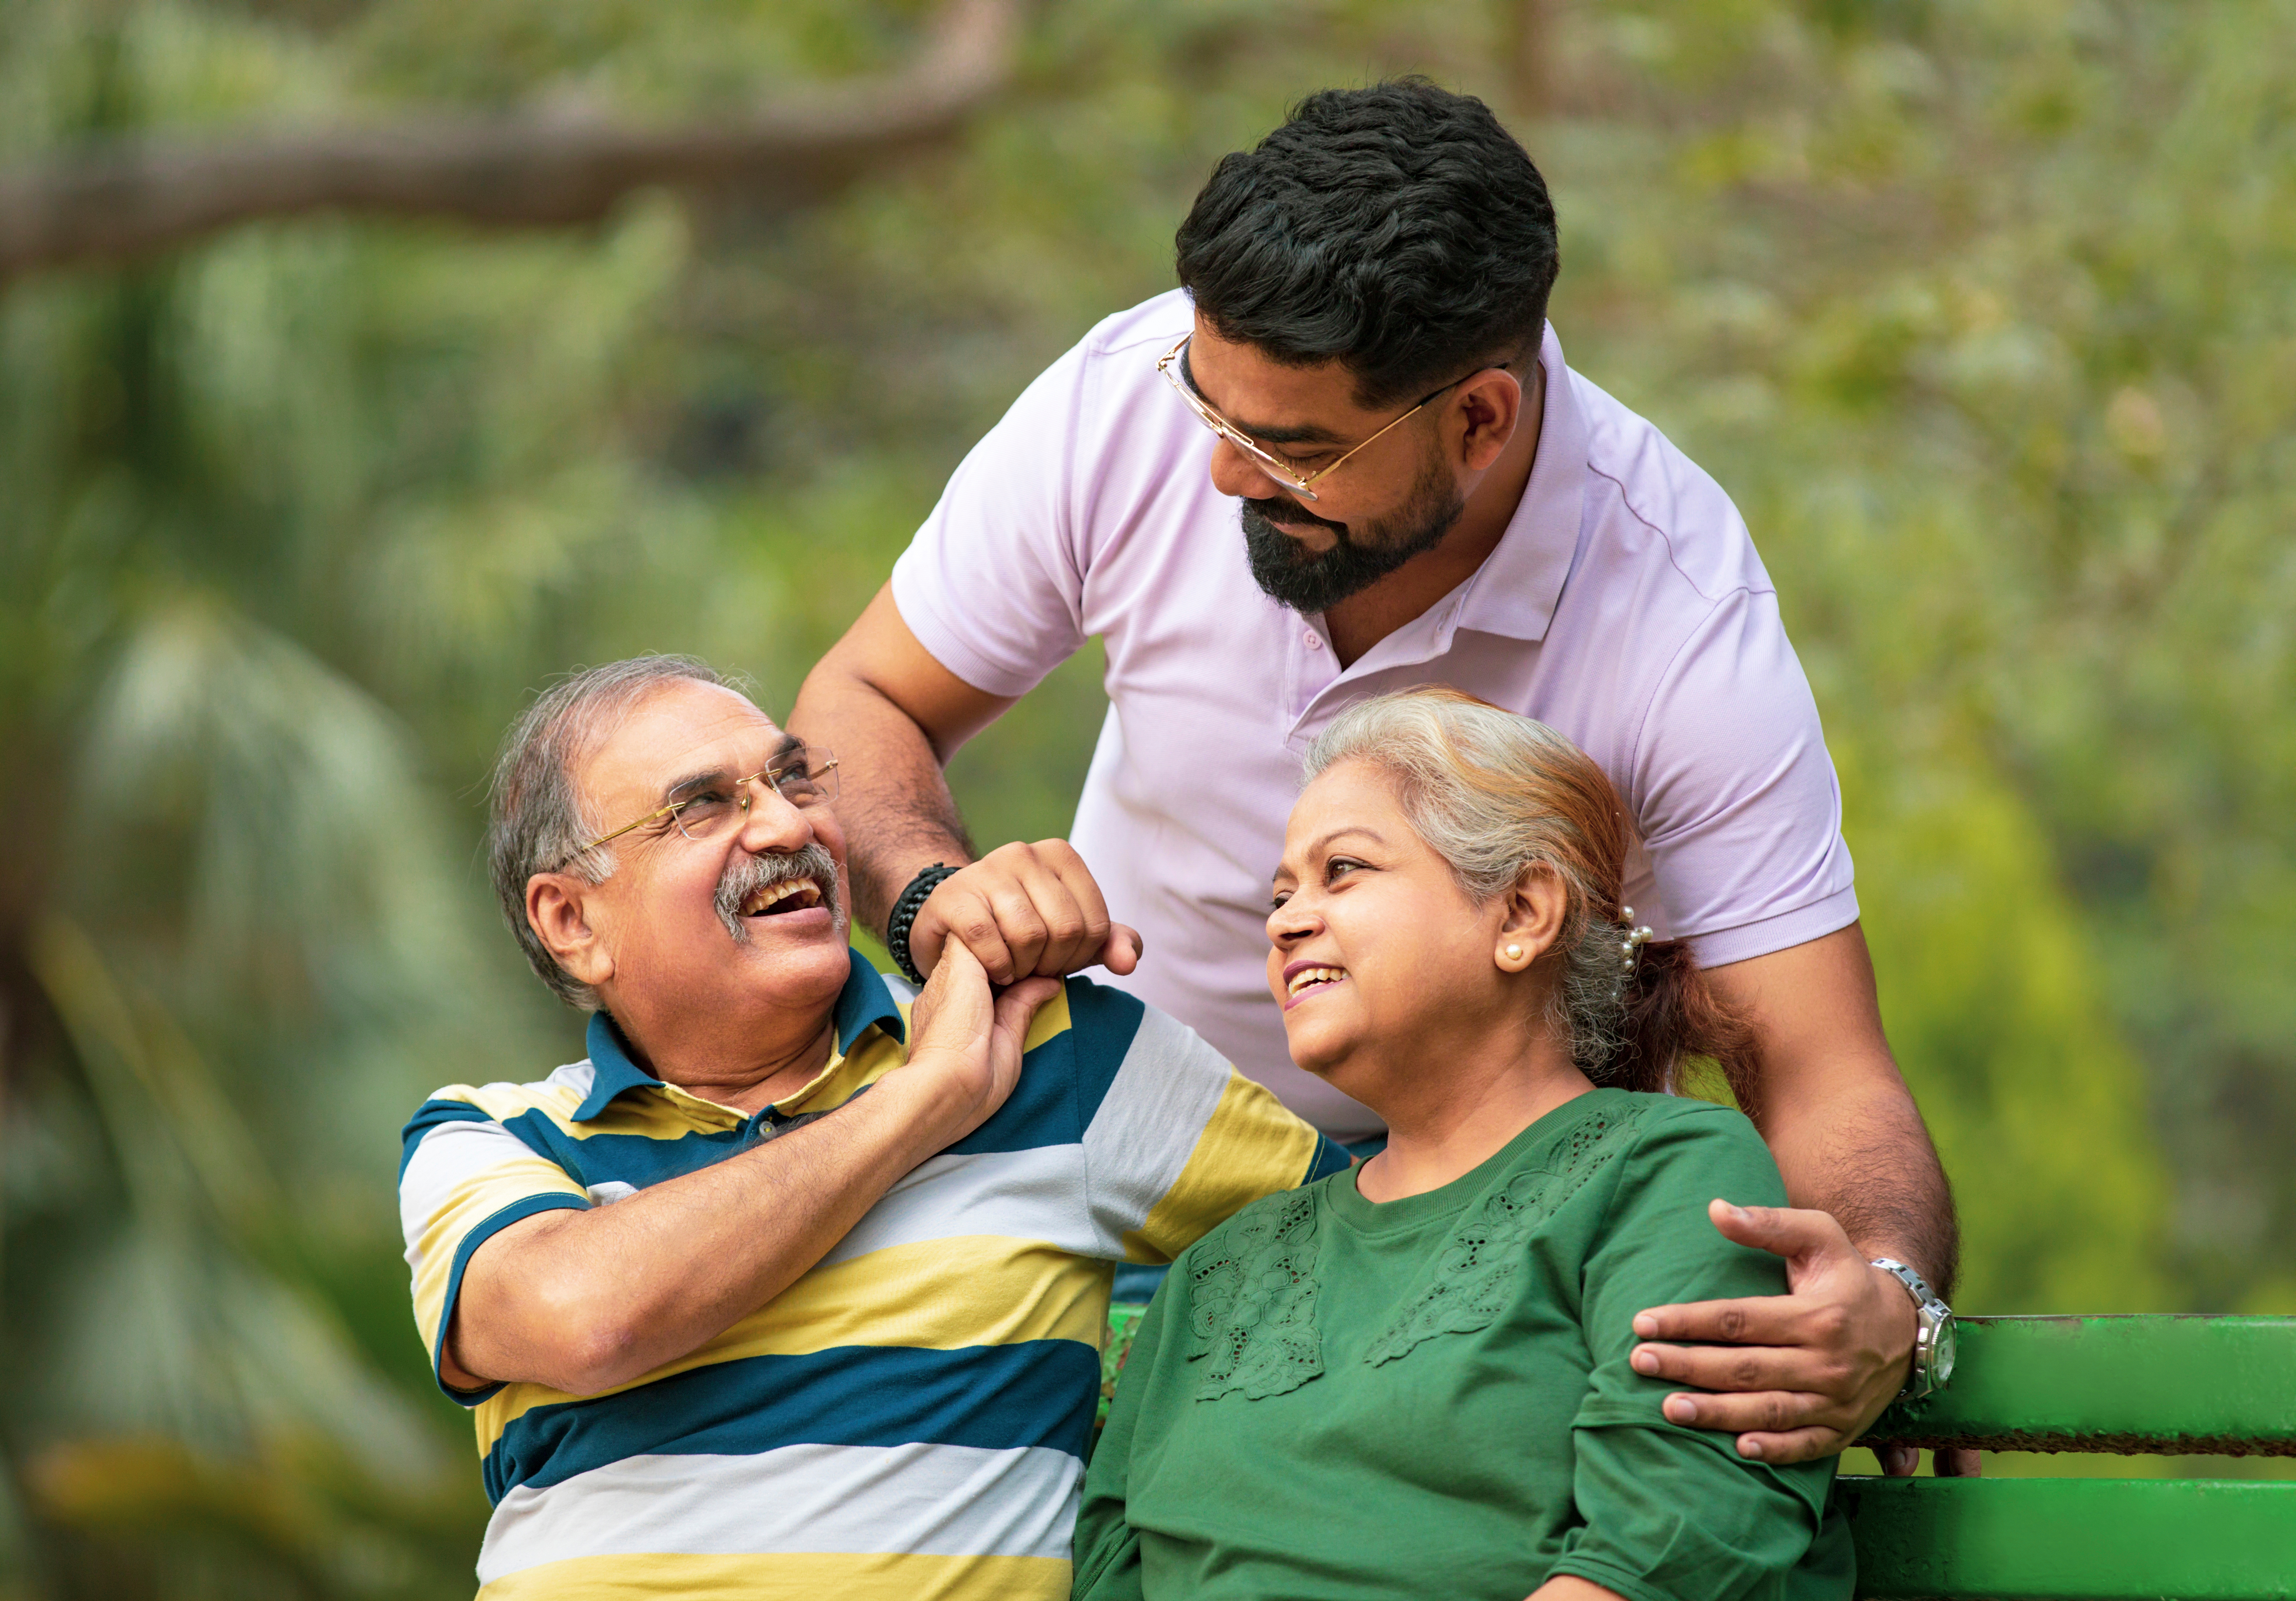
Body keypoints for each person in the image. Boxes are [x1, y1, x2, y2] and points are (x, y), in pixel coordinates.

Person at [793, 77, 1959, 1465]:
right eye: (1207, 405)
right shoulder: (1122, 406)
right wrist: (933, 895)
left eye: (1292, 449)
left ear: (1480, 419)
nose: (1221, 475)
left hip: (1475, 1242)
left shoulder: (1675, 610)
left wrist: (1888, 1294)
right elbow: (860, 702)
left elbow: (1820, 1067)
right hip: (1110, 1162)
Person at [397, 655, 1347, 1600]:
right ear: (571, 921)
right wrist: (923, 1102)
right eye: (703, 806)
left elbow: (1388, 1252)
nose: (788, 825)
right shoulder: (492, 1135)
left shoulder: (1049, 1045)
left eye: (794, 780)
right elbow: (587, 1318)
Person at [1075, 688, 1855, 1601]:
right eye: (1281, 895)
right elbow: (1111, 1569)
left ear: (1521, 913)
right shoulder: (1223, 1264)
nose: (1285, 921)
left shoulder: (1665, 1174)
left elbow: (1672, 1548)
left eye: (1343, 870)